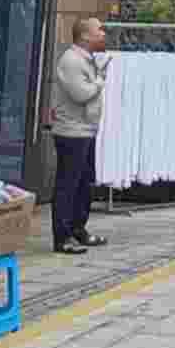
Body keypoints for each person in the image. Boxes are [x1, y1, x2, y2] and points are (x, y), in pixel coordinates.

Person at [47, 16, 107, 254]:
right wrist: (100, 81)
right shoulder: (71, 60)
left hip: (85, 130)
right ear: (84, 36)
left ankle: (78, 229)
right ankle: (62, 237)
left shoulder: (87, 59)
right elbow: (81, 93)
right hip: (72, 132)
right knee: (68, 185)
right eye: (99, 30)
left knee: (83, 184)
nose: (103, 33)